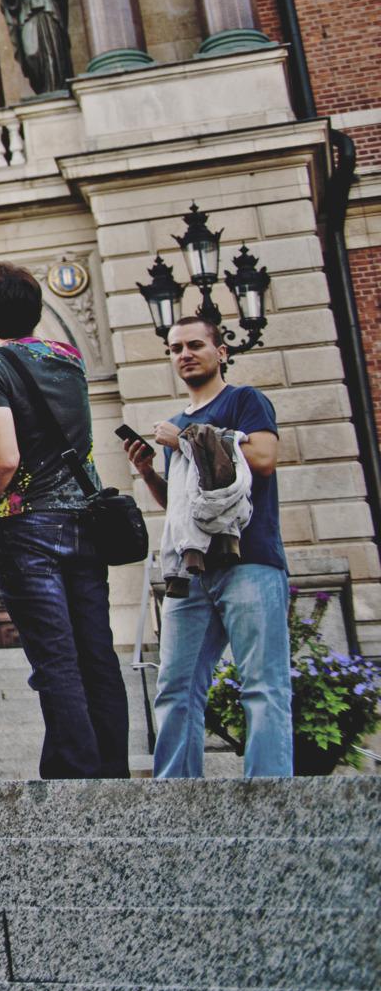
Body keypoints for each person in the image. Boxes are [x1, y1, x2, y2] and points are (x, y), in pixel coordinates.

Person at [0, 262, 128, 778]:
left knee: (55, 657)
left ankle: (75, 779)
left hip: (29, 528)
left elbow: (4, 457)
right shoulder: (70, 360)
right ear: (37, 308)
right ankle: (110, 771)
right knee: (96, 652)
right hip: (85, 523)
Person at [127, 316, 291, 778]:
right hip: (191, 570)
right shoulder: (177, 423)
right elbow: (184, 506)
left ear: (220, 352)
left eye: (195, 344)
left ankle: (271, 795)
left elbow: (262, 458)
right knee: (176, 687)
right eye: (175, 347)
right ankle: (177, 799)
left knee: (262, 684)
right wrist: (149, 473)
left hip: (250, 561)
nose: (184, 354)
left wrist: (181, 442)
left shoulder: (244, 401)